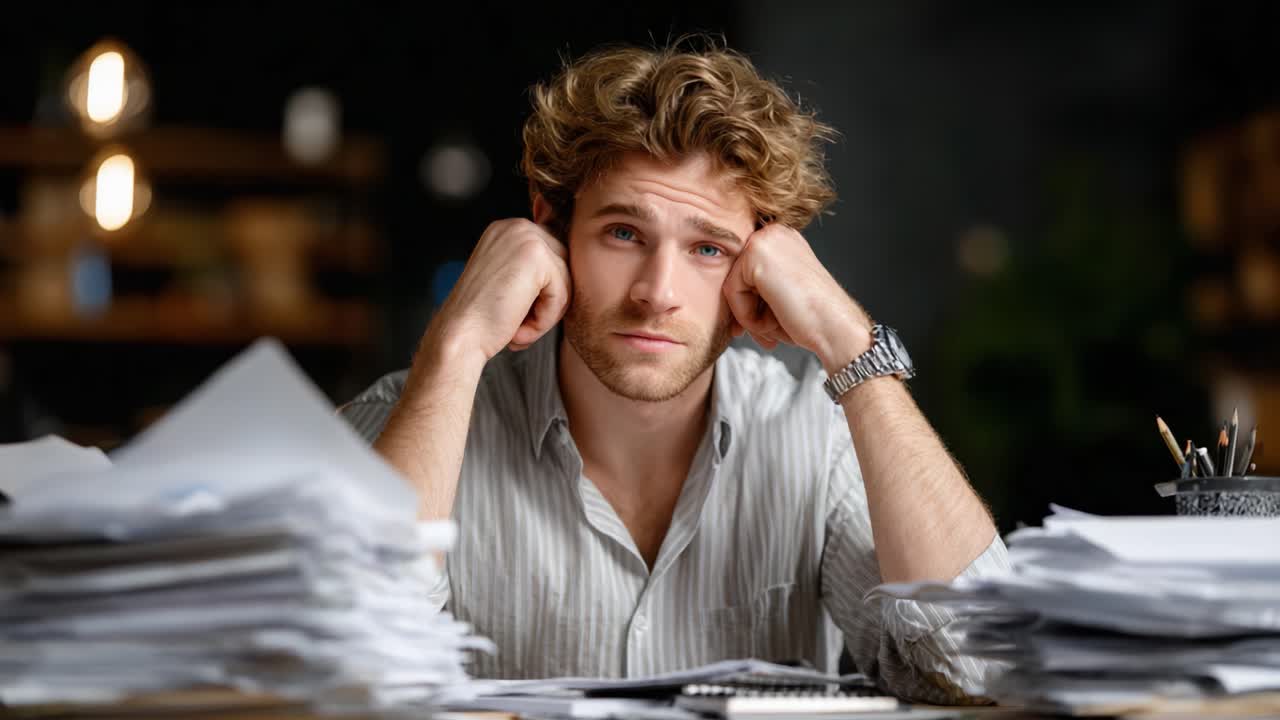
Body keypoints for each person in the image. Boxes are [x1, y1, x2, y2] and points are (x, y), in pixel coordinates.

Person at [340, 41, 1008, 704]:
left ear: (763, 267)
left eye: (709, 248)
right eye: (624, 233)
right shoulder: (404, 419)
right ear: (550, 225)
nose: (657, 292)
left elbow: (981, 668)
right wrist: (455, 347)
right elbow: (341, 669)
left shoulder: (820, 436)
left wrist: (849, 342)